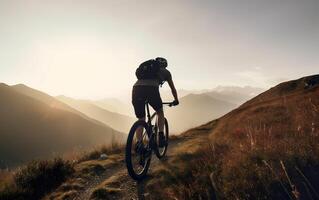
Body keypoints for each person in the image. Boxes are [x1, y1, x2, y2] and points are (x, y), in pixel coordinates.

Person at [132, 57, 179, 148]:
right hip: (151, 89)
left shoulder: (146, 69)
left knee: (141, 119)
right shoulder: (166, 72)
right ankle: (161, 137)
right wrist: (176, 100)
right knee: (160, 112)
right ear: (165, 65)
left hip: (136, 89)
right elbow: (173, 89)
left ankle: (139, 143)